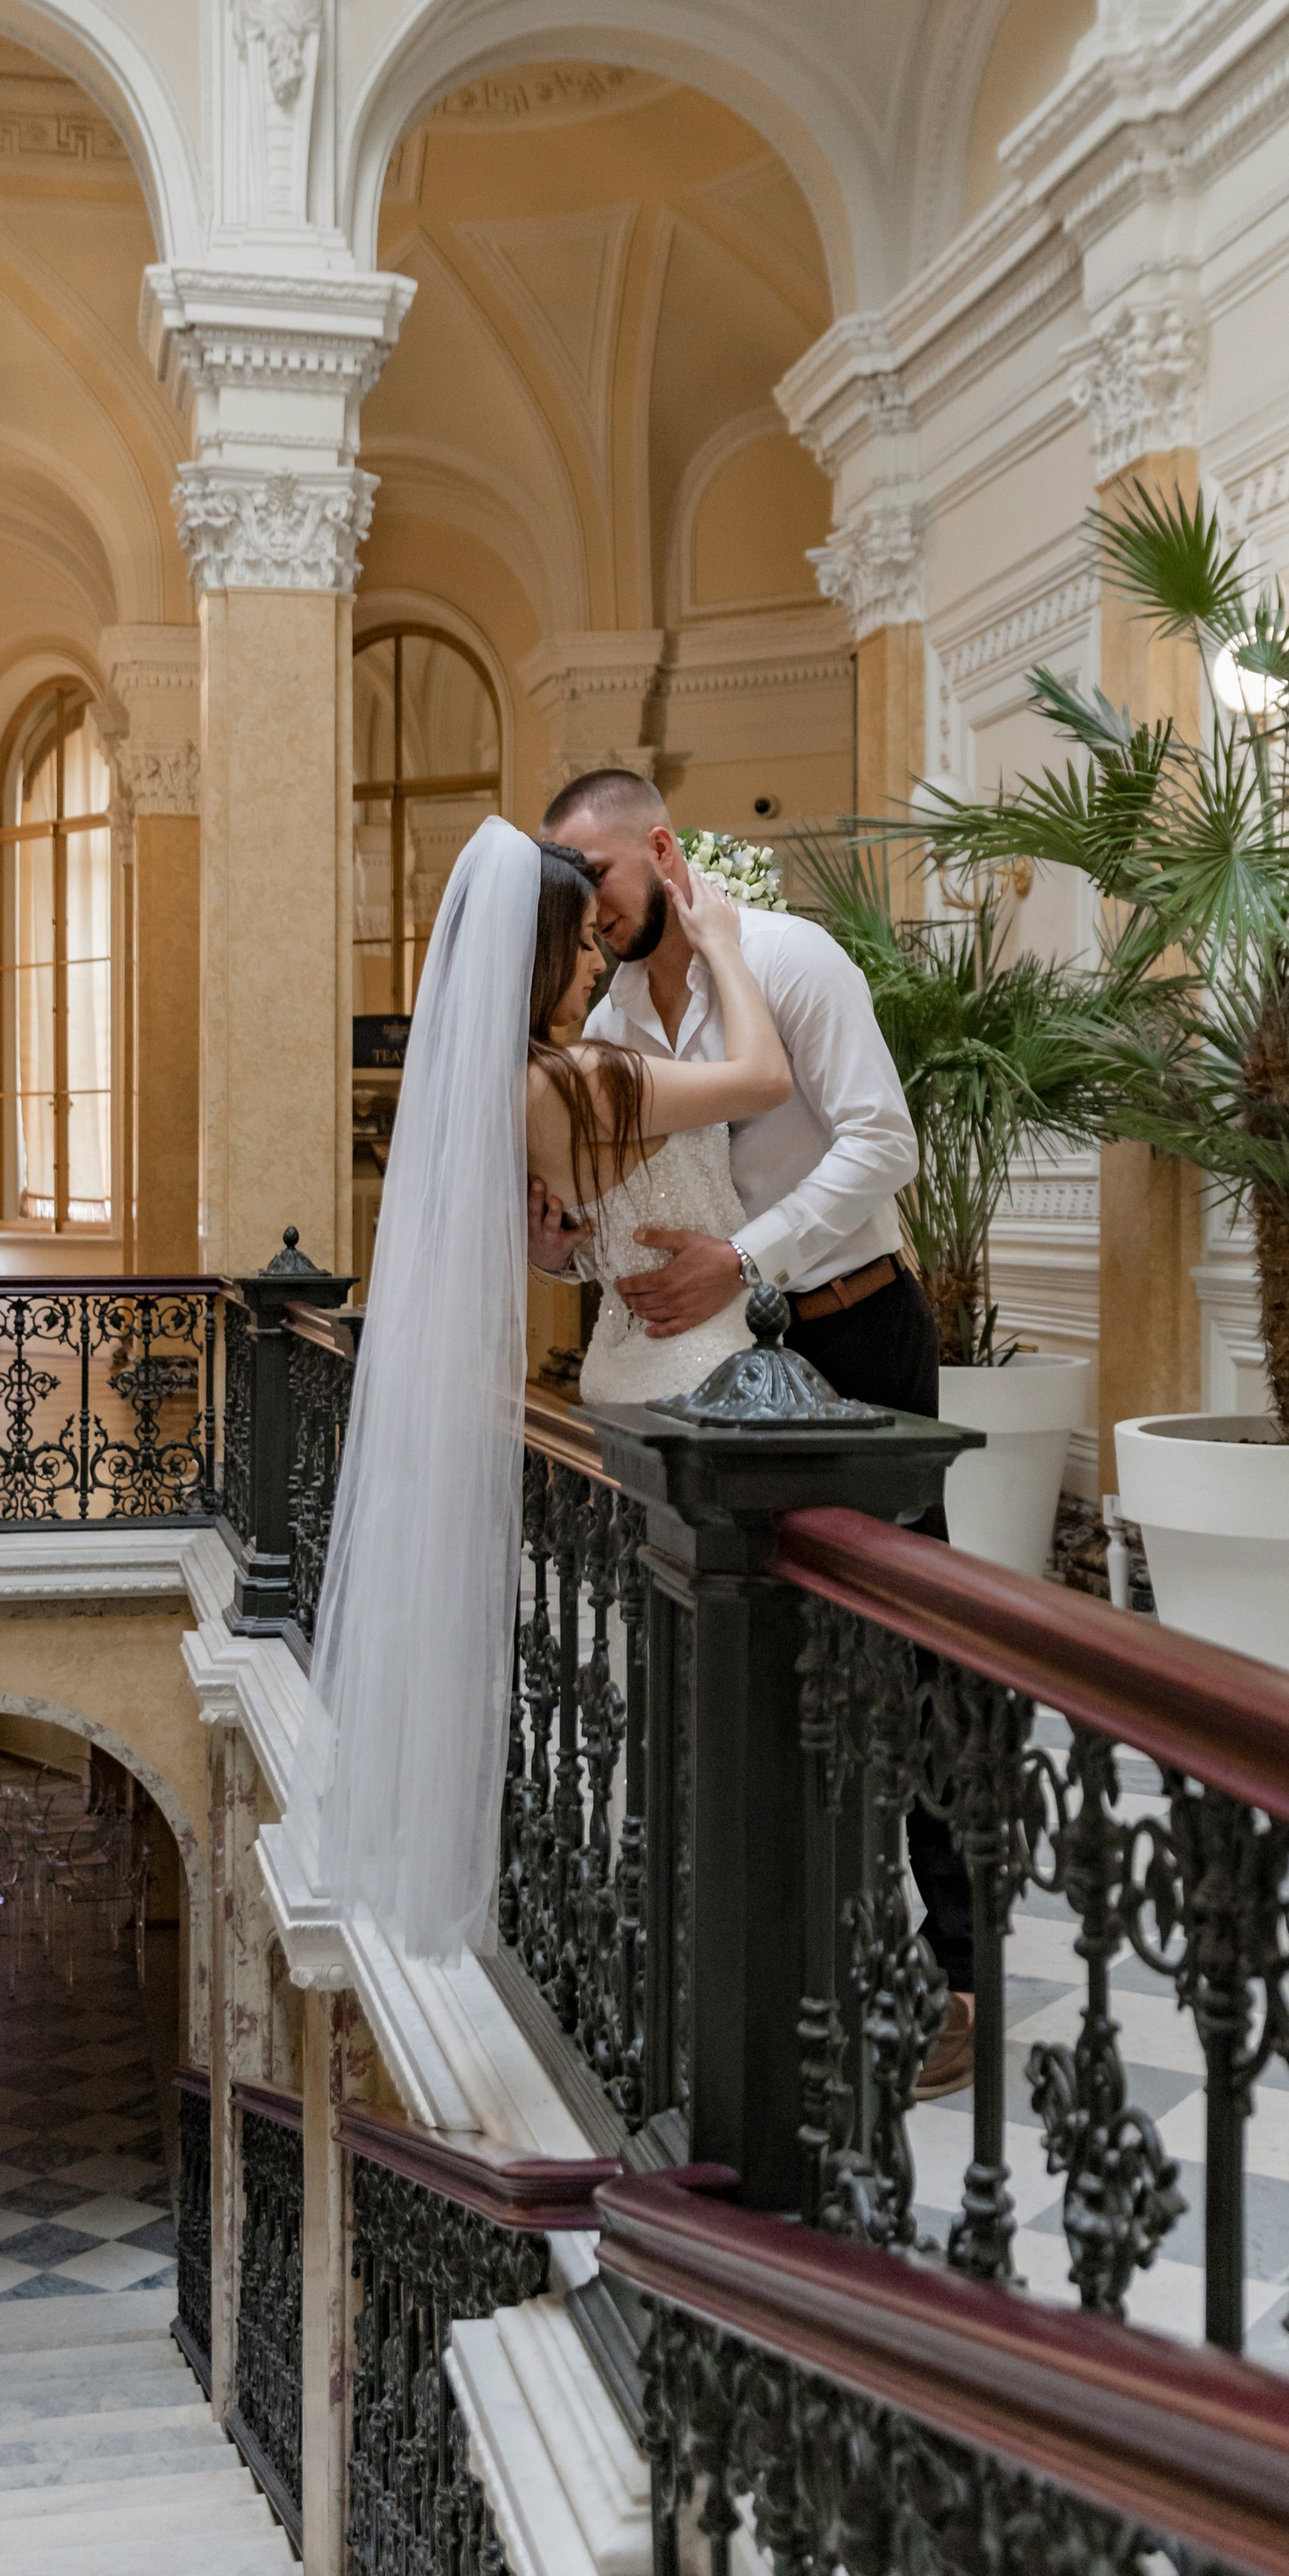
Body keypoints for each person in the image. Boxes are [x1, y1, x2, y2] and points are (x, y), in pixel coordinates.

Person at [534, 768, 977, 2094]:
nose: (590, 912)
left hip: (850, 1327)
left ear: (662, 851)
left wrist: (751, 1260)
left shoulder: (786, 955)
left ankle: (957, 1976)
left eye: (598, 879)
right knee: (754, 1651)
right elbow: (639, 1213)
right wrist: (574, 1255)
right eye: (571, 894)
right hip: (714, 1365)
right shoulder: (607, 1012)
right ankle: (807, 1953)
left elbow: (882, 1144)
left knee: (903, 1645)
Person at [286, 817, 791, 1966]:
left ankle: (646, 1895)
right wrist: (721, 948)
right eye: (574, 949)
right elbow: (763, 1076)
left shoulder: (506, 1091)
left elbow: (558, 1242)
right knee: (710, 1662)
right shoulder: (589, 1078)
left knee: (642, 1648)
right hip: (703, 1370)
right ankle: (703, 1914)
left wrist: (564, 1246)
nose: (592, 966)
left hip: (626, 1357)